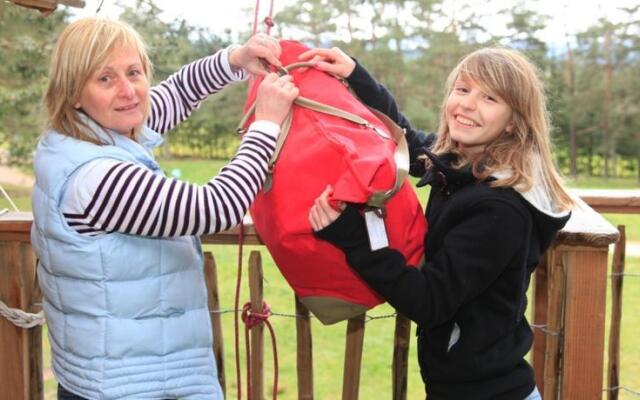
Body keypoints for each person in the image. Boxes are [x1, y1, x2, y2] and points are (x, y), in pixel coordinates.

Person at [31, 17, 298, 400]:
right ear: (75, 91)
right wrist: (266, 125)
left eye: (134, 72)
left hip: (120, 376)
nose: (129, 91)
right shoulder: (95, 178)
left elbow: (174, 94)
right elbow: (215, 207)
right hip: (134, 385)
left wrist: (236, 59)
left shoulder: (81, 136)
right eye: (105, 78)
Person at [304, 47, 573, 400]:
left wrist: (354, 239)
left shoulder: (499, 208)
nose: (467, 105)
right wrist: (356, 76)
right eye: (462, 90)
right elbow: (409, 143)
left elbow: (430, 301)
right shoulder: (463, 165)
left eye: (489, 97)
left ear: (513, 120)